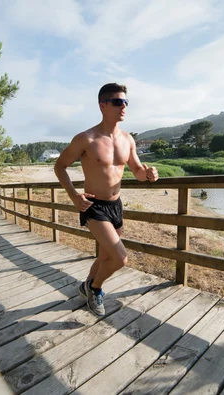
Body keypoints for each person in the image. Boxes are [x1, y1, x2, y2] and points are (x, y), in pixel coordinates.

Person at [54, 83, 159, 316]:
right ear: (103, 105)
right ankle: (95, 288)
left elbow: (138, 171)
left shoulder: (127, 139)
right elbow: (60, 166)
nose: (123, 106)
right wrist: (73, 195)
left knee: (105, 256)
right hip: (94, 205)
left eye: (125, 102)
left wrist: (149, 174)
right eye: (117, 102)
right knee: (120, 258)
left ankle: (86, 286)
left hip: (116, 206)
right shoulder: (86, 139)